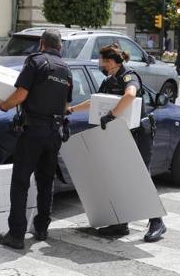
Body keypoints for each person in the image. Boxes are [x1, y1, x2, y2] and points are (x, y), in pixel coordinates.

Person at [67, 44, 167, 243]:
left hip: (139, 133)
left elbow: (129, 95)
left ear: (110, 61)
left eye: (101, 59)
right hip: (119, 134)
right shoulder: (108, 80)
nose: (99, 62)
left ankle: (157, 222)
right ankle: (120, 223)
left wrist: (112, 114)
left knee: (140, 174)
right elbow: (94, 102)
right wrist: (71, 110)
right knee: (118, 176)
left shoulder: (129, 76)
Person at [0, 29, 73, 250]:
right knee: (46, 182)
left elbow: (20, 94)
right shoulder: (66, 70)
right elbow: (65, 106)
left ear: (41, 44)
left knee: (20, 182)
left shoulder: (35, 62)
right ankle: (41, 229)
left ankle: (16, 235)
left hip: (34, 130)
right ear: (60, 46)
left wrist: (3, 105)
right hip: (54, 132)